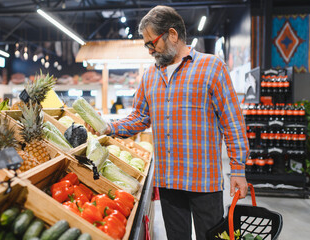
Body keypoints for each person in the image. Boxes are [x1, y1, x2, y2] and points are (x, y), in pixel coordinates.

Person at [86, 5, 249, 240]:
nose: (150, 50)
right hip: (169, 181)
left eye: (152, 42)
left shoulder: (212, 68)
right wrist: (109, 127)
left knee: (212, 237)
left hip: (203, 180)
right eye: (147, 45)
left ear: (172, 34)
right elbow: (140, 117)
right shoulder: (150, 76)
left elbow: (232, 123)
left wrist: (238, 170)